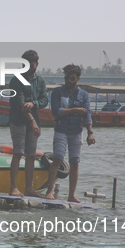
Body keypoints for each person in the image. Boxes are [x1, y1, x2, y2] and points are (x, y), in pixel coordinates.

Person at [45, 64, 96, 202]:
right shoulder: (57, 92)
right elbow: (56, 111)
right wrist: (75, 110)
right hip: (61, 129)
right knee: (57, 159)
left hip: (76, 131)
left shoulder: (84, 95)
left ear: (78, 79)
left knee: (75, 163)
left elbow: (87, 115)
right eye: (67, 78)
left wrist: (90, 132)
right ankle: (49, 192)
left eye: (72, 78)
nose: (69, 80)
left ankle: (71, 195)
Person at [8, 49, 48, 197]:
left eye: (31, 65)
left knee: (31, 155)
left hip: (33, 122)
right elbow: (20, 105)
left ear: (37, 64)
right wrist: (32, 122)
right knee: (18, 153)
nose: (28, 68)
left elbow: (44, 100)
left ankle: (29, 188)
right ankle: (13, 187)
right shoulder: (16, 80)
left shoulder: (40, 80)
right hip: (18, 121)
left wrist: (34, 103)